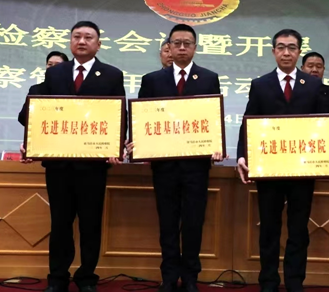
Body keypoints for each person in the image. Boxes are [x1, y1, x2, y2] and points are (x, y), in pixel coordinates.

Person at [20, 21, 124, 292]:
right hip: (59, 164)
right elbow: (43, 113)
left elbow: (119, 115)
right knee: (60, 223)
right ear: (70, 42)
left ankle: (87, 277)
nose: (82, 41)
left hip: (93, 165)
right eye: (77, 36)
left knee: (90, 223)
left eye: (88, 37)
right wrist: (32, 143)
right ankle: (57, 278)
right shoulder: (56, 73)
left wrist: (116, 146)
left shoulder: (112, 75)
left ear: (98, 44)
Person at [236, 29, 329, 292]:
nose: (286, 52)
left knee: (298, 229)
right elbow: (248, 122)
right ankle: (268, 282)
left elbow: (323, 126)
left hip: (302, 169)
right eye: (281, 47)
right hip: (269, 169)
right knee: (269, 228)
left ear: (298, 52)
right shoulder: (260, 84)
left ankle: (295, 282)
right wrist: (242, 155)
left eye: (291, 48)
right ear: (273, 51)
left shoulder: (313, 85)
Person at [132, 24, 223, 292]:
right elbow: (142, 120)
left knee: (194, 222)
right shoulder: (152, 80)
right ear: (169, 47)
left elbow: (212, 119)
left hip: (196, 166)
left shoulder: (208, 78)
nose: (182, 48)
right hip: (165, 166)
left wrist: (216, 144)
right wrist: (137, 143)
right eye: (177, 43)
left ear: (195, 47)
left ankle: (191, 277)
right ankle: (169, 276)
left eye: (187, 43)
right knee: (168, 222)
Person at [18, 51, 69, 126]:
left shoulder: (72, 89)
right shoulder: (35, 90)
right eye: (50, 64)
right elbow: (23, 117)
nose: (53, 67)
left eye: (58, 64)